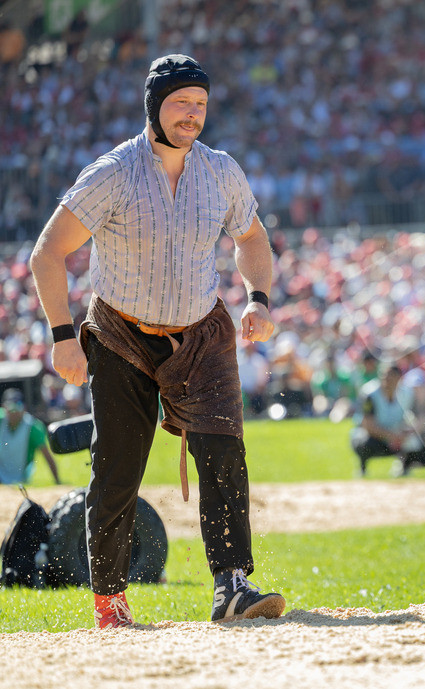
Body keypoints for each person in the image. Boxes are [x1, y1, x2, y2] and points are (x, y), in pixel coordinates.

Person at [29, 54, 285, 628]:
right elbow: (48, 253)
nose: (192, 115)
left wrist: (258, 299)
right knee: (118, 469)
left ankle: (233, 586)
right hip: (120, 335)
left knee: (224, 454)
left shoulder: (221, 171)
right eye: (180, 104)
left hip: (202, 333)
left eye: (200, 105)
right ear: (154, 106)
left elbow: (252, 238)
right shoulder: (114, 172)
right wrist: (63, 338)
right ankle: (111, 602)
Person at [350, 364, 425, 477]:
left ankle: (404, 467)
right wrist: (391, 436)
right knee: (363, 442)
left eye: (391, 375)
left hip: (397, 433)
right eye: (384, 375)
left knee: (416, 442)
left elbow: (421, 418)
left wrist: (407, 433)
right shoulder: (370, 394)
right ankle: (362, 468)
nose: (387, 379)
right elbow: (367, 425)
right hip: (375, 434)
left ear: (399, 378)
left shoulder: (407, 393)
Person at [0, 388, 61, 485]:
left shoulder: (33, 427)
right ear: (4, 408)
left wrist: (58, 482)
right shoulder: (1, 419)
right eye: (11, 407)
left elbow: (47, 456)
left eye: (17, 407)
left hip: (21, 477)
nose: (14, 412)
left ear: (24, 408)